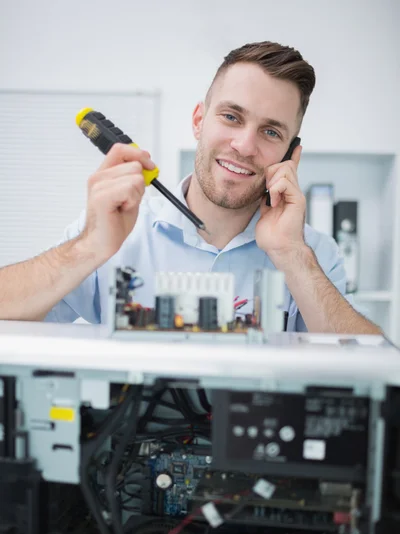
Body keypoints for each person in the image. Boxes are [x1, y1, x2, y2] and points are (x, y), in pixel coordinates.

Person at [0, 41, 380, 334]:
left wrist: (291, 255)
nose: (245, 146)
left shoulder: (311, 253)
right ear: (199, 120)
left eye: (270, 131)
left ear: (291, 153)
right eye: (231, 117)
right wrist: (87, 248)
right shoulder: (114, 233)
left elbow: (370, 369)